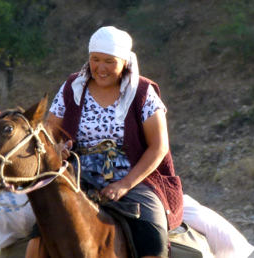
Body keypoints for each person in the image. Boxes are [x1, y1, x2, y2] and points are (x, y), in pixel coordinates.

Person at [46, 26, 184, 258]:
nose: (101, 68)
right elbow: (50, 133)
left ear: (125, 61)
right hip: (76, 175)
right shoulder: (72, 87)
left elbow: (158, 147)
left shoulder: (142, 93)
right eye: (95, 59)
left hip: (133, 178)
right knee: (38, 233)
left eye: (109, 61)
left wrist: (124, 185)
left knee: (153, 240)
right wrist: (57, 149)